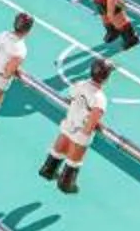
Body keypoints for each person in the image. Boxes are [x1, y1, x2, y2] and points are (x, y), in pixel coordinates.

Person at [41, 58, 112, 194]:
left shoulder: (80, 84)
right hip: (82, 130)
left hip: (70, 121)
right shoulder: (100, 98)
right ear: (106, 78)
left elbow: (70, 97)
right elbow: (93, 120)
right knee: (75, 159)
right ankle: (66, 183)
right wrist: (94, 127)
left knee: (61, 145)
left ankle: (48, 170)